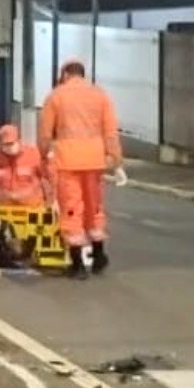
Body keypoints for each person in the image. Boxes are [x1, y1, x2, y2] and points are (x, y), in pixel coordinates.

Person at [39, 59, 122, 280]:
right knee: (94, 207)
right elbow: (111, 132)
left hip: (68, 161)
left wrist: (43, 155)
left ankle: (77, 264)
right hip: (95, 161)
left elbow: (46, 134)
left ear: (65, 74)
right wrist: (116, 161)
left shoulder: (56, 96)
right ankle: (98, 255)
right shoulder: (100, 95)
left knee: (72, 209)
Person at [0, 123, 51, 209]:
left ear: (19, 141)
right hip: (8, 212)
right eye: (5, 144)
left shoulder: (33, 154)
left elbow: (47, 180)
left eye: (11, 144)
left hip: (33, 210)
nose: (8, 147)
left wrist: (51, 203)